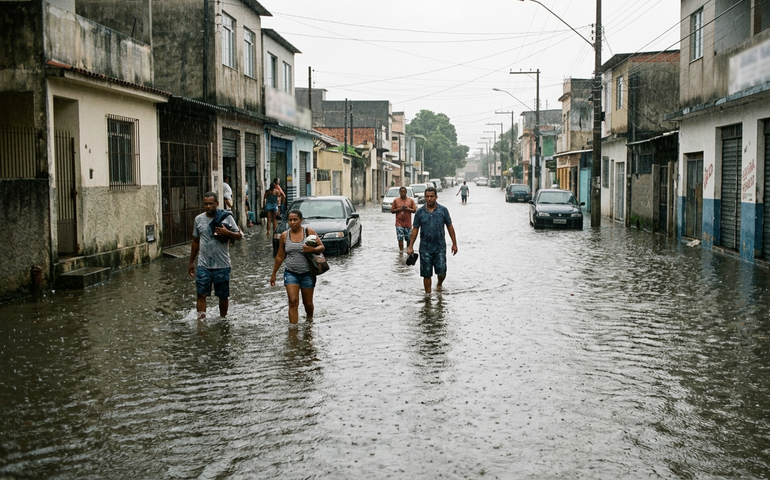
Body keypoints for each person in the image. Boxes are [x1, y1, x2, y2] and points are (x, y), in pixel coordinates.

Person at [189, 191, 243, 320]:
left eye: (211, 204)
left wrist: (227, 232)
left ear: (217, 203)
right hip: (203, 265)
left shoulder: (226, 217)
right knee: (201, 294)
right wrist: (191, 262)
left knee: (223, 295)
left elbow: (240, 236)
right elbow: (195, 242)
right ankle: (201, 323)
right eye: (205, 204)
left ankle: (223, 320)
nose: (208, 207)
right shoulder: (199, 219)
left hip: (222, 264)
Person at [270, 209, 325, 325]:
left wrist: (312, 249)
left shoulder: (309, 232)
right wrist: (273, 274)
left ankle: (309, 324)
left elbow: (321, 247)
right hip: (291, 273)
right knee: (293, 301)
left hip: (307, 273)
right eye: (290, 220)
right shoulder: (285, 236)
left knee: (308, 304)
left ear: (301, 220)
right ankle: (293, 331)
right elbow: (280, 256)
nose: (292, 222)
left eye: (295, 220)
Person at [407, 186, 458, 294]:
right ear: (424, 197)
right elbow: (415, 229)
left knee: (442, 272)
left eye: (431, 196)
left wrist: (454, 244)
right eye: (427, 196)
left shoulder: (443, 210)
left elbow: (450, 227)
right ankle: (428, 297)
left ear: (436, 197)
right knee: (426, 274)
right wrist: (410, 246)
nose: (429, 198)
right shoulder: (420, 212)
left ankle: (439, 284)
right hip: (425, 248)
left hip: (440, 247)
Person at [391, 186, 417, 251]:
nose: (403, 193)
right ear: (399, 192)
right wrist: (399, 209)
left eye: (404, 192)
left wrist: (407, 209)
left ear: (406, 192)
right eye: (401, 192)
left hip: (408, 224)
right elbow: (392, 211)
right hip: (399, 223)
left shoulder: (410, 200)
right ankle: (401, 252)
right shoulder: (396, 200)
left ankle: (408, 251)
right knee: (400, 239)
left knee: (408, 239)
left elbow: (414, 210)